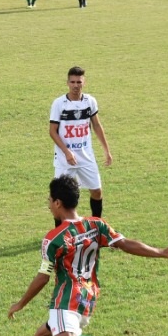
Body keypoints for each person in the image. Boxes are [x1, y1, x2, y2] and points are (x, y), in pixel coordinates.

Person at [0, 175, 168, 336]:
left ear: (57, 203)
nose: (48, 205)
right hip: (87, 297)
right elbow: (126, 244)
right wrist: (161, 252)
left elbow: (43, 277)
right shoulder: (96, 225)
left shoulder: (53, 238)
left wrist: (21, 303)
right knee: (43, 334)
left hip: (66, 297)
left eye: (49, 200)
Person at [49, 66, 112, 220]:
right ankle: (61, 234)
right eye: (72, 82)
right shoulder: (59, 104)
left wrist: (106, 151)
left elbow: (96, 125)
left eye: (79, 82)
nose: (76, 85)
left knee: (96, 191)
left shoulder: (90, 102)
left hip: (85, 156)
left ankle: (97, 227)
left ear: (84, 82)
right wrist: (67, 152)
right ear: (67, 83)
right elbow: (52, 131)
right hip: (65, 159)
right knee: (60, 198)